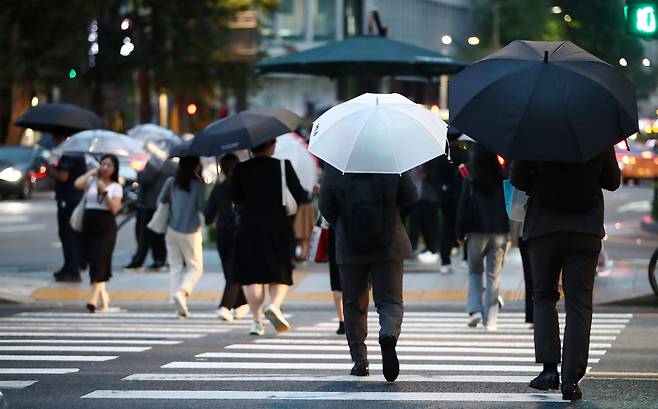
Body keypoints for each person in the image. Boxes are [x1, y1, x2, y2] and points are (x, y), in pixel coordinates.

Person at [511, 148, 621, 401]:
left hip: (543, 227)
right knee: (579, 304)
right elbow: (613, 182)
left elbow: (518, 179)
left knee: (543, 297)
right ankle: (571, 380)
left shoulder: (534, 130)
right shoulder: (596, 132)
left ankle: (549, 371)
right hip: (585, 229)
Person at [319, 164, 418, 382]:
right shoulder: (391, 160)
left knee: (354, 302)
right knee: (390, 299)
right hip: (389, 240)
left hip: (350, 243)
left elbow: (325, 205)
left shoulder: (337, 164)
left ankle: (360, 360)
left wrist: (345, 224)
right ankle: (388, 334)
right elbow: (411, 195)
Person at [232, 139, 308, 336]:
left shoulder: (241, 168)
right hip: (278, 226)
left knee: (251, 276)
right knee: (280, 271)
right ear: (271, 146)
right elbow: (299, 195)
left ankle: (256, 322)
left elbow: (236, 198)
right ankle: (274, 306)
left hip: (248, 227)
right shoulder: (283, 165)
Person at [456, 145, 509, 331]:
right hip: (499, 232)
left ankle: (475, 310)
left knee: (474, 271)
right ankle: (491, 319)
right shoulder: (502, 179)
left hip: (476, 231)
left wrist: (459, 233)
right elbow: (509, 206)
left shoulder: (471, 180)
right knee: (494, 275)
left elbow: (462, 208)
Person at [74, 154, 123, 312]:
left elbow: (114, 208)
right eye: (103, 164)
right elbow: (77, 184)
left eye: (109, 165)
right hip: (89, 224)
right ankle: (103, 297)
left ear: (115, 169)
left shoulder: (116, 186)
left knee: (100, 261)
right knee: (92, 260)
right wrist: (91, 174)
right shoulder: (92, 182)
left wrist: (104, 191)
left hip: (106, 226)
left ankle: (93, 299)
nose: (105, 167)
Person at [159, 156, 206, 318]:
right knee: (196, 268)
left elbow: (161, 200)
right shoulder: (197, 184)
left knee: (175, 266)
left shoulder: (171, 182)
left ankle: (176, 301)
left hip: (172, 229)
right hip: (191, 231)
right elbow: (202, 207)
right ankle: (182, 292)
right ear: (196, 166)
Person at [204, 153, 249, 321]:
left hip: (223, 234)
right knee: (235, 272)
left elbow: (208, 216)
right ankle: (228, 306)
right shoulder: (245, 187)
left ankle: (237, 305)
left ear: (221, 168)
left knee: (229, 271)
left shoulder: (219, 188)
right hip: (240, 232)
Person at [124, 157, 176, 271]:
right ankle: (159, 260)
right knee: (158, 234)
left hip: (148, 204)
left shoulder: (155, 163)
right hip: (160, 204)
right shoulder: (172, 165)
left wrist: (139, 170)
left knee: (143, 235)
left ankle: (138, 261)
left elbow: (144, 178)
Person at [50, 133, 87, 282]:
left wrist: (51, 170)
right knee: (70, 234)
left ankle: (72, 270)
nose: (54, 140)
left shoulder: (69, 153)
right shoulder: (78, 152)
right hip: (74, 198)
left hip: (68, 199)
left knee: (67, 234)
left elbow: (63, 176)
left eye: (55, 137)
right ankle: (71, 266)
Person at [408, 166, 439, 258]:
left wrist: (427, 175)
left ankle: (431, 248)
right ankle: (413, 248)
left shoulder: (430, 163)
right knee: (414, 225)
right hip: (415, 199)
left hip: (429, 199)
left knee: (429, 226)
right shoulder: (410, 166)